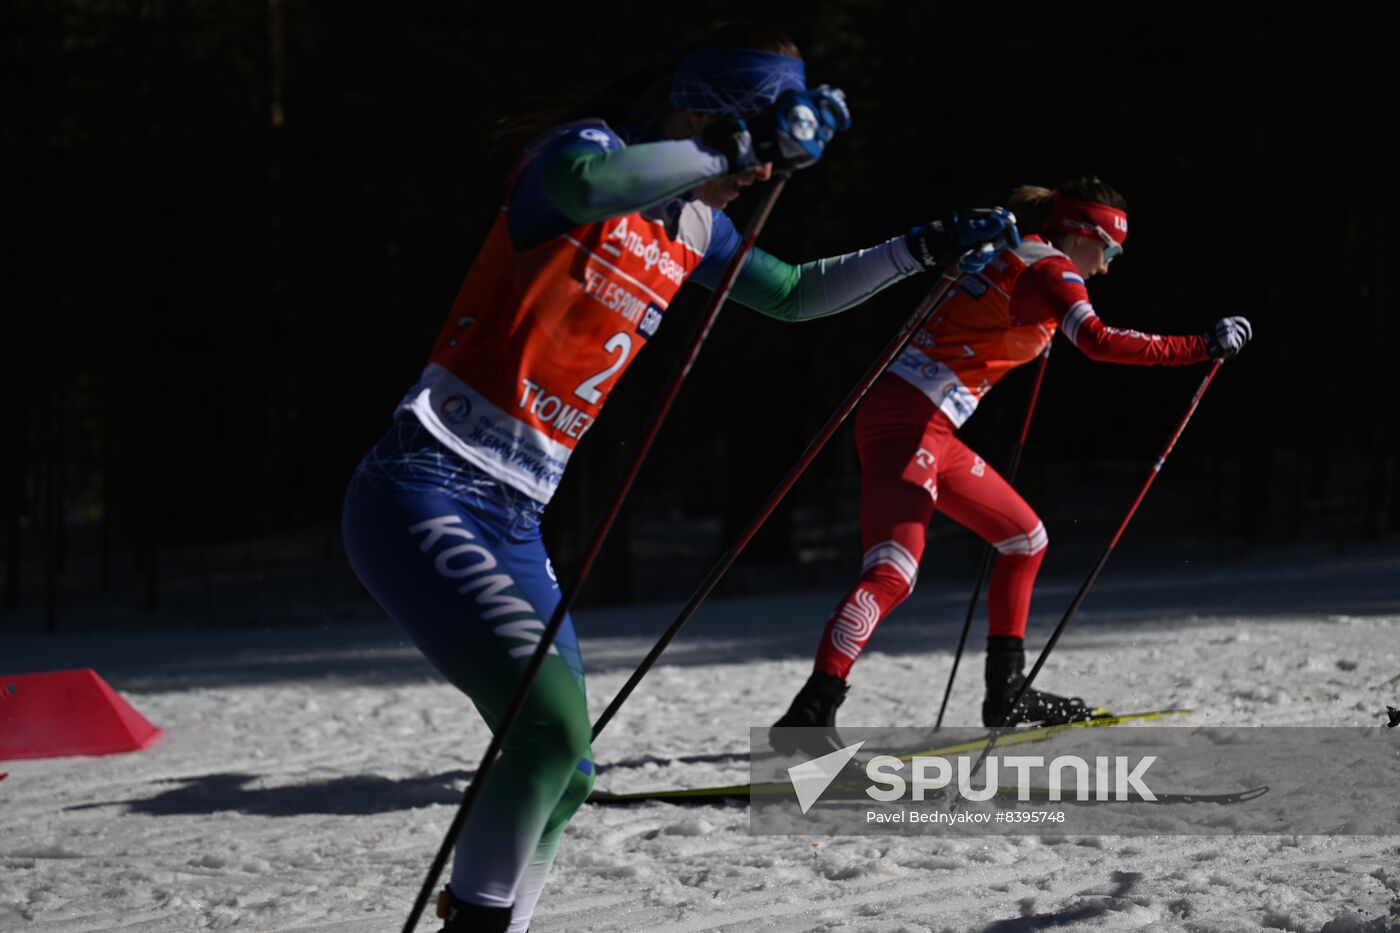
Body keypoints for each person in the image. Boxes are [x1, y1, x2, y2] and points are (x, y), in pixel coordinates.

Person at [341, 22, 1015, 933]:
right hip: (425, 484)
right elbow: (584, 188)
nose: (766, 172)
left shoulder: (695, 225)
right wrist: (728, 146)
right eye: (764, 142)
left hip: (514, 516)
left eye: (781, 151)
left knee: (568, 771)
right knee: (547, 735)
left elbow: (793, 292)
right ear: (709, 113)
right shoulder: (586, 153)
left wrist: (920, 248)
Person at [770, 176, 1253, 754]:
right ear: (1083, 233)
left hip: (924, 423)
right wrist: (1202, 346)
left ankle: (1007, 694)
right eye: (1111, 251)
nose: (1107, 268)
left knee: (1025, 538)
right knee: (894, 572)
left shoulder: (1013, 250)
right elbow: (1098, 341)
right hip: (909, 420)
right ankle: (812, 709)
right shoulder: (1052, 268)